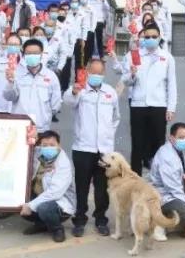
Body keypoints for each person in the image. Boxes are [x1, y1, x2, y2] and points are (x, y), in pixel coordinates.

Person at [64, 58, 119, 237]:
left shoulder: (110, 92)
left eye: (99, 72)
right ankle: (79, 219)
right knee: (82, 186)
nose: (96, 75)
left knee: (102, 187)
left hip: (105, 150)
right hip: (83, 147)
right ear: (87, 72)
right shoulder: (80, 90)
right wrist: (74, 91)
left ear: (104, 73)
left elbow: (115, 117)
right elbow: (68, 101)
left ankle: (101, 219)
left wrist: (108, 135)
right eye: (93, 72)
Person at [115, 22, 177, 175]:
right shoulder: (134, 55)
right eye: (147, 37)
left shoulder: (167, 57)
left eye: (154, 37)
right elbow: (126, 81)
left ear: (159, 38)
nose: (150, 39)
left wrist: (171, 108)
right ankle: (135, 177)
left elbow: (172, 84)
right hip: (138, 104)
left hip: (159, 104)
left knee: (158, 142)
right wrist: (132, 74)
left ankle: (159, 176)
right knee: (137, 143)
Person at [147, 122, 185, 240]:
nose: (184, 141)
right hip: (161, 196)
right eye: (181, 138)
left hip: (171, 192)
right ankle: (158, 223)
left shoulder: (175, 150)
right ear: (171, 138)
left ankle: (172, 219)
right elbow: (174, 189)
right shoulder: (167, 157)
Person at [21, 130, 75, 243]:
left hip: (60, 204)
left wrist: (30, 205)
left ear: (59, 145)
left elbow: (55, 193)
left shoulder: (63, 163)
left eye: (52, 145)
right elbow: (24, 148)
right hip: (42, 195)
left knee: (44, 208)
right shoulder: (41, 154)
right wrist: (31, 138)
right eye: (44, 145)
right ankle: (41, 225)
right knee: (19, 201)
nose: (48, 148)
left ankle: (57, 229)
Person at [5, 38, 63, 131]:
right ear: (23, 55)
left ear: (41, 54)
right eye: (28, 53)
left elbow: (55, 104)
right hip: (19, 127)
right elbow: (9, 97)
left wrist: (45, 116)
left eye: (35, 53)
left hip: (41, 128)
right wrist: (10, 83)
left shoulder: (51, 76)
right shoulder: (17, 74)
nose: (32, 56)